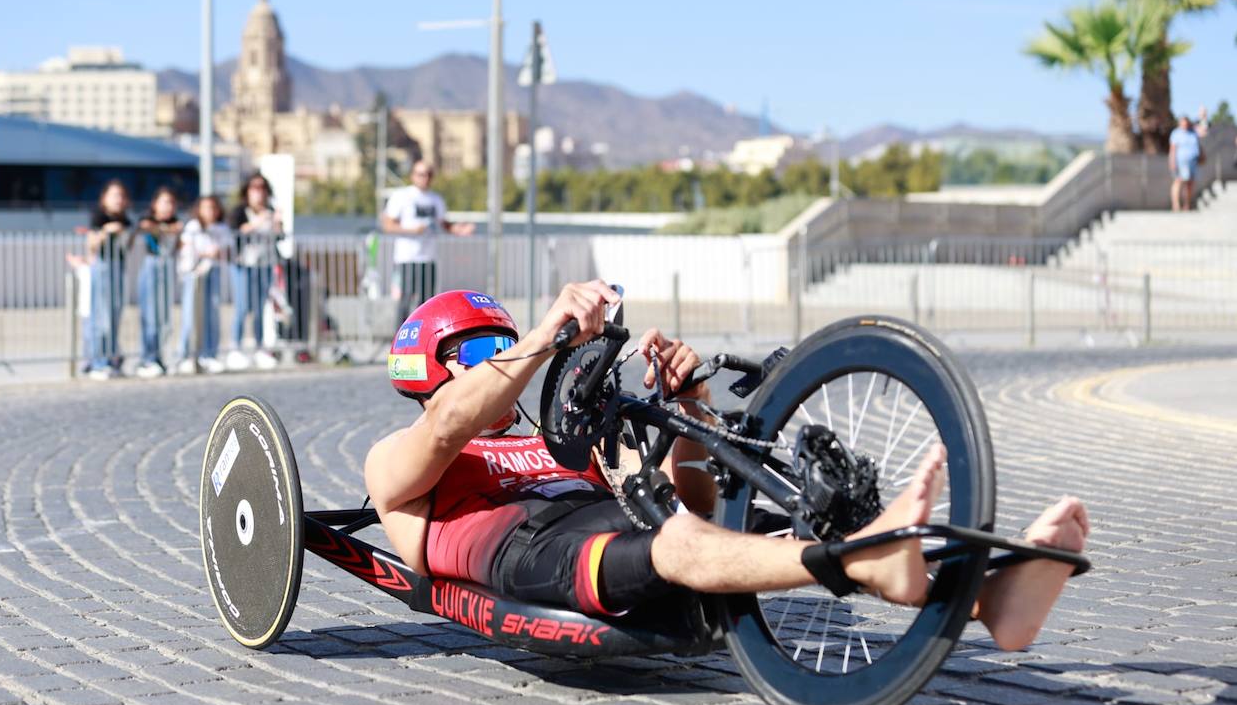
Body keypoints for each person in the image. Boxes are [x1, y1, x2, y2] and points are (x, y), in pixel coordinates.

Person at [364, 281, 1091, 652]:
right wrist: (551, 330)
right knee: (676, 543)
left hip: (620, 532)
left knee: (748, 523)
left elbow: (697, 501)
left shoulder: (563, 440)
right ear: (426, 369)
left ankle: (988, 603)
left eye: (505, 343)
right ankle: (871, 562)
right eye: (474, 353)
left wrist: (692, 406)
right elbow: (448, 423)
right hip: (528, 550)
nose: (500, 362)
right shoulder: (399, 459)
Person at [380, 161, 475, 326]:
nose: (425, 178)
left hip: (428, 258)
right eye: (421, 174)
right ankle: (400, 339)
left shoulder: (435, 199)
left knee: (427, 302)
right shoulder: (402, 196)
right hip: (407, 259)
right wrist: (412, 231)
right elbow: (387, 224)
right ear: (413, 175)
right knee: (405, 299)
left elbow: (444, 223)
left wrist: (459, 229)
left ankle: (423, 340)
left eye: (429, 174)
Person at [226, 173, 281, 371]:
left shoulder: (271, 210)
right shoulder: (240, 211)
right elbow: (236, 230)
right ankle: (235, 348)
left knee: (260, 309)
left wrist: (277, 222)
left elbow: (279, 236)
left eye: (262, 188)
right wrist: (259, 221)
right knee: (242, 307)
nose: (259, 192)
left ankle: (259, 348)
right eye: (254, 188)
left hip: (264, 264)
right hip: (243, 264)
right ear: (247, 191)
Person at [85, 180, 133, 380]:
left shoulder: (126, 220)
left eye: (121, 196)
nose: (118, 200)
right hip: (102, 267)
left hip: (118, 267)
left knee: (114, 314)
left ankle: (111, 359)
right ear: (104, 198)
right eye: (114, 195)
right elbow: (91, 245)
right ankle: (97, 362)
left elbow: (127, 246)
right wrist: (106, 231)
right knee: (100, 316)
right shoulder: (98, 216)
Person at [134, 187, 182, 378]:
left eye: (171, 202)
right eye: (164, 202)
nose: (167, 206)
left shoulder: (176, 222)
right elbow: (145, 226)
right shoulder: (147, 220)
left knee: (164, 318)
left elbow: (178, 234)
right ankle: (147, 358)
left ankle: (160, 357)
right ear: (155, 204)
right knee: (150, 317)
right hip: (151, 268)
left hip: (167, 268)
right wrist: (164, 228)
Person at [177, 195, 229, 375]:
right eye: (206, 208)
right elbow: (188, 247)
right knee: (190, 314)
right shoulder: (193, 226)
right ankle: (185, 355)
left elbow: (226, 249)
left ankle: (209, 354)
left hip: (212, 272)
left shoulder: (221, 228)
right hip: (194, 273)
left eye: (213, 208)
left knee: (212, 313)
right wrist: (205, 253)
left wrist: (213, 253)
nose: (210, 212)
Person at [1169, 116, 1204, 212]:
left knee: (1190, 184)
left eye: (1186, 123)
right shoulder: (1176, 133)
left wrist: (1202, 117)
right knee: (1179, 181)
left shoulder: (1193, 132)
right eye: (1183, 123)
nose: (1185, 125)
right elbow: (1173, 150)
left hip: (1193, 161)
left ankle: (1187, 205)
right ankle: (1175, 205)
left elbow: (1203, 132)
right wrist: (1172, 162)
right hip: (1181, 161)